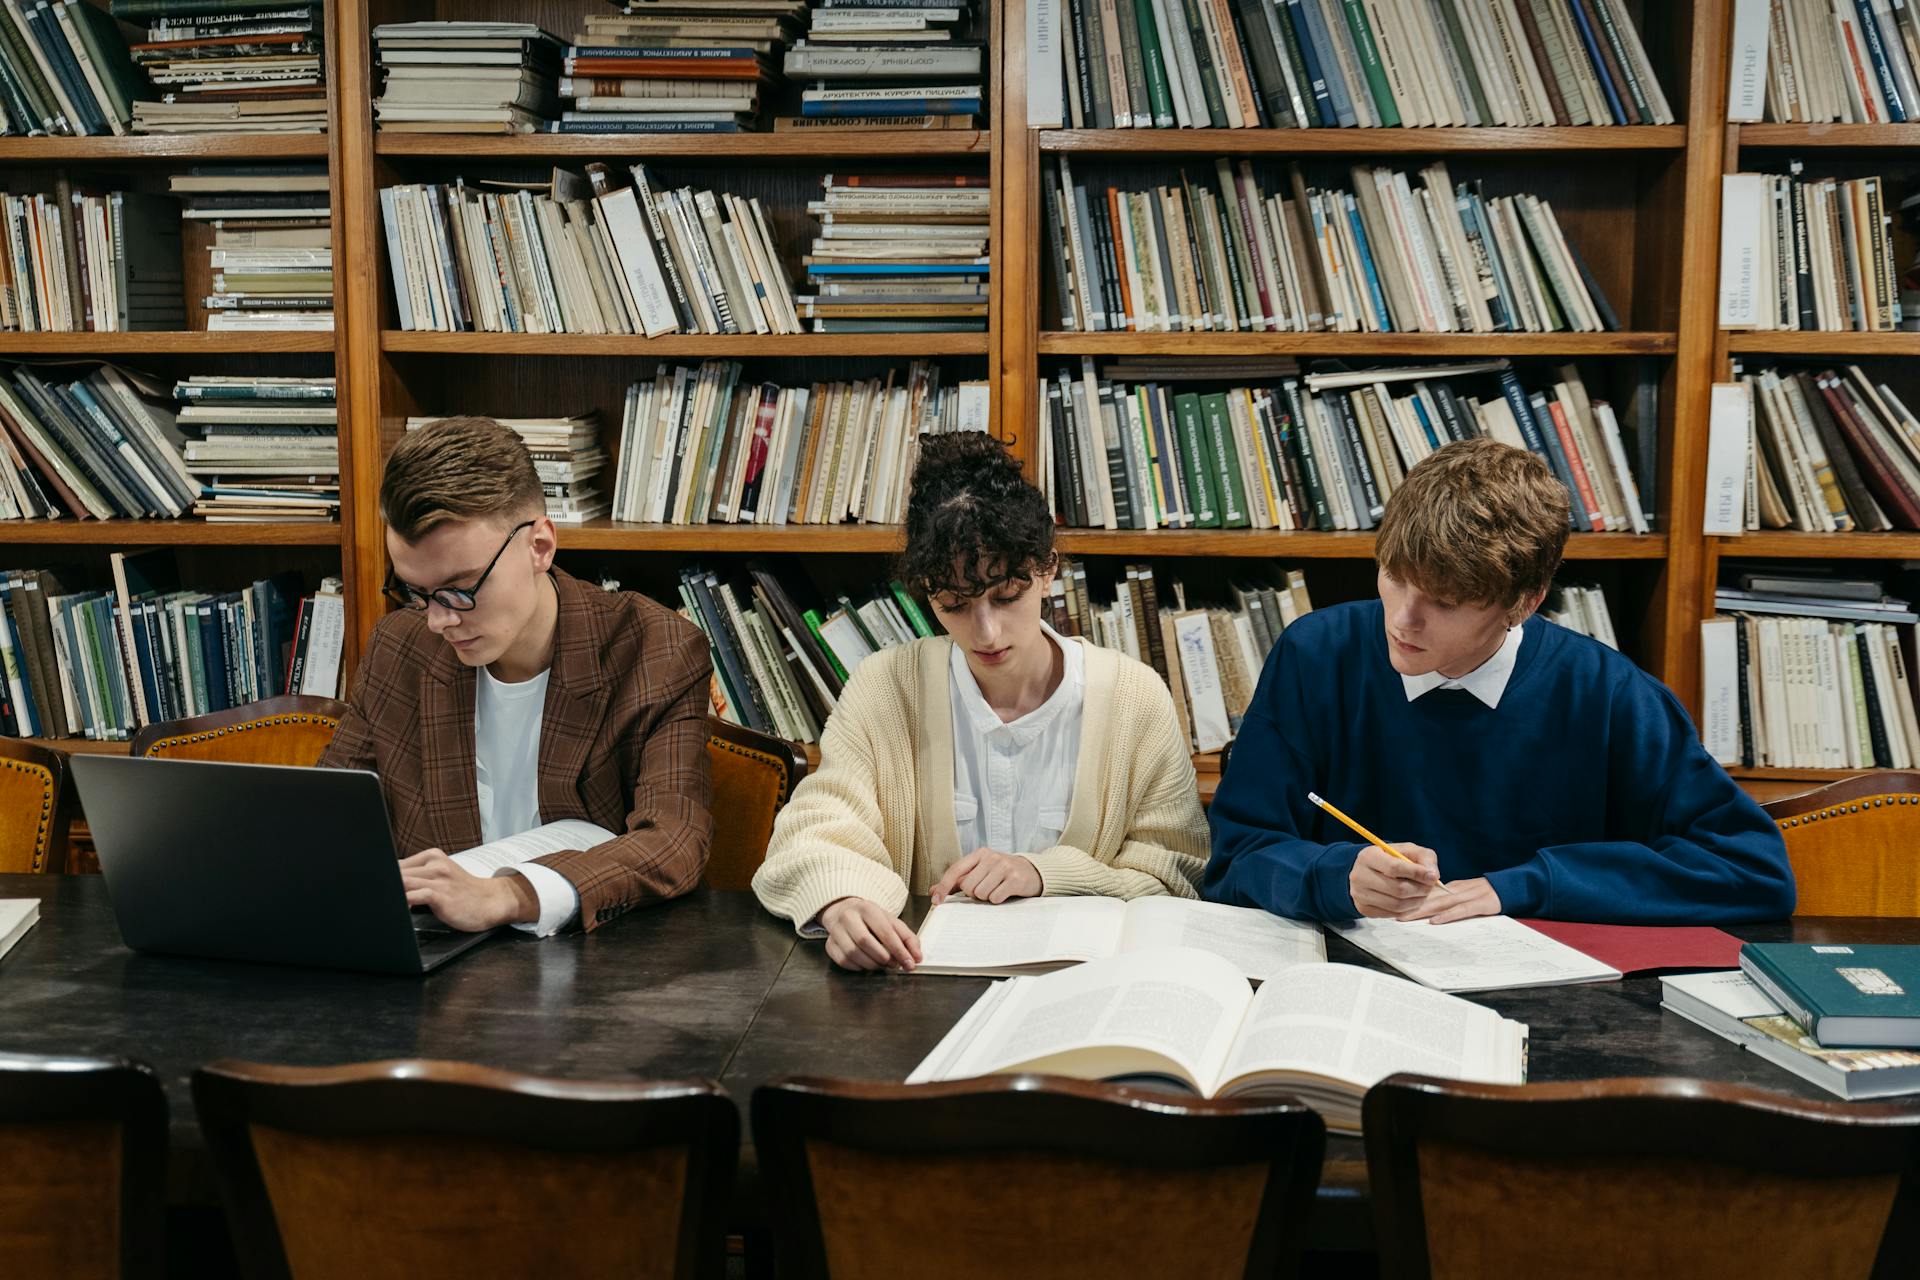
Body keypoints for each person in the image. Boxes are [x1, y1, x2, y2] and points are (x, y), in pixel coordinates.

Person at [1205, 438, 1795, 926]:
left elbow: (1751, 871)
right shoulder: (1317, 655)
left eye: (1443, 601)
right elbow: (1236, 859)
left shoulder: (1609, 696)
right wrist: (1334, 875)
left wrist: (1525, 886)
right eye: (1393, 577)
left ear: (1523, 603)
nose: (1402, 619)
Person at [752, 432, 1209, 970]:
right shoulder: (885, 688)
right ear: (928, 592)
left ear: (1047, 569)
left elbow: (1175, 875)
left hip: (1082, 994)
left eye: (1006, 597)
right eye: (955, 604)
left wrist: (1045, 874)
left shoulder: (1136, 699)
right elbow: (815, 827)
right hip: (917, 993)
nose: (986, 632)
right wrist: (841, 899)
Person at [321, 416, 714, 935]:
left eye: (461, 589)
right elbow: (330, 811)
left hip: (594, 972)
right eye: (416, 591)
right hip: (431, 966)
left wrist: (509, 893)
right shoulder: (402, 646)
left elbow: (674, 838)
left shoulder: (654, 650)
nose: (438, 620)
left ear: (540, 546)